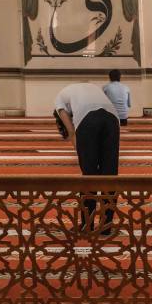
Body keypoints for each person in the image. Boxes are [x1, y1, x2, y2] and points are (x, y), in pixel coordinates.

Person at [54, 82, 121, 233]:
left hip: (88, 119)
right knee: (109, 174)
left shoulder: (58, 101)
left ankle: (86, 224)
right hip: (112, 119)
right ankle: (106, 225)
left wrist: (82, 153)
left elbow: (71, 132)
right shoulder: (88, 87)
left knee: (89, 175)